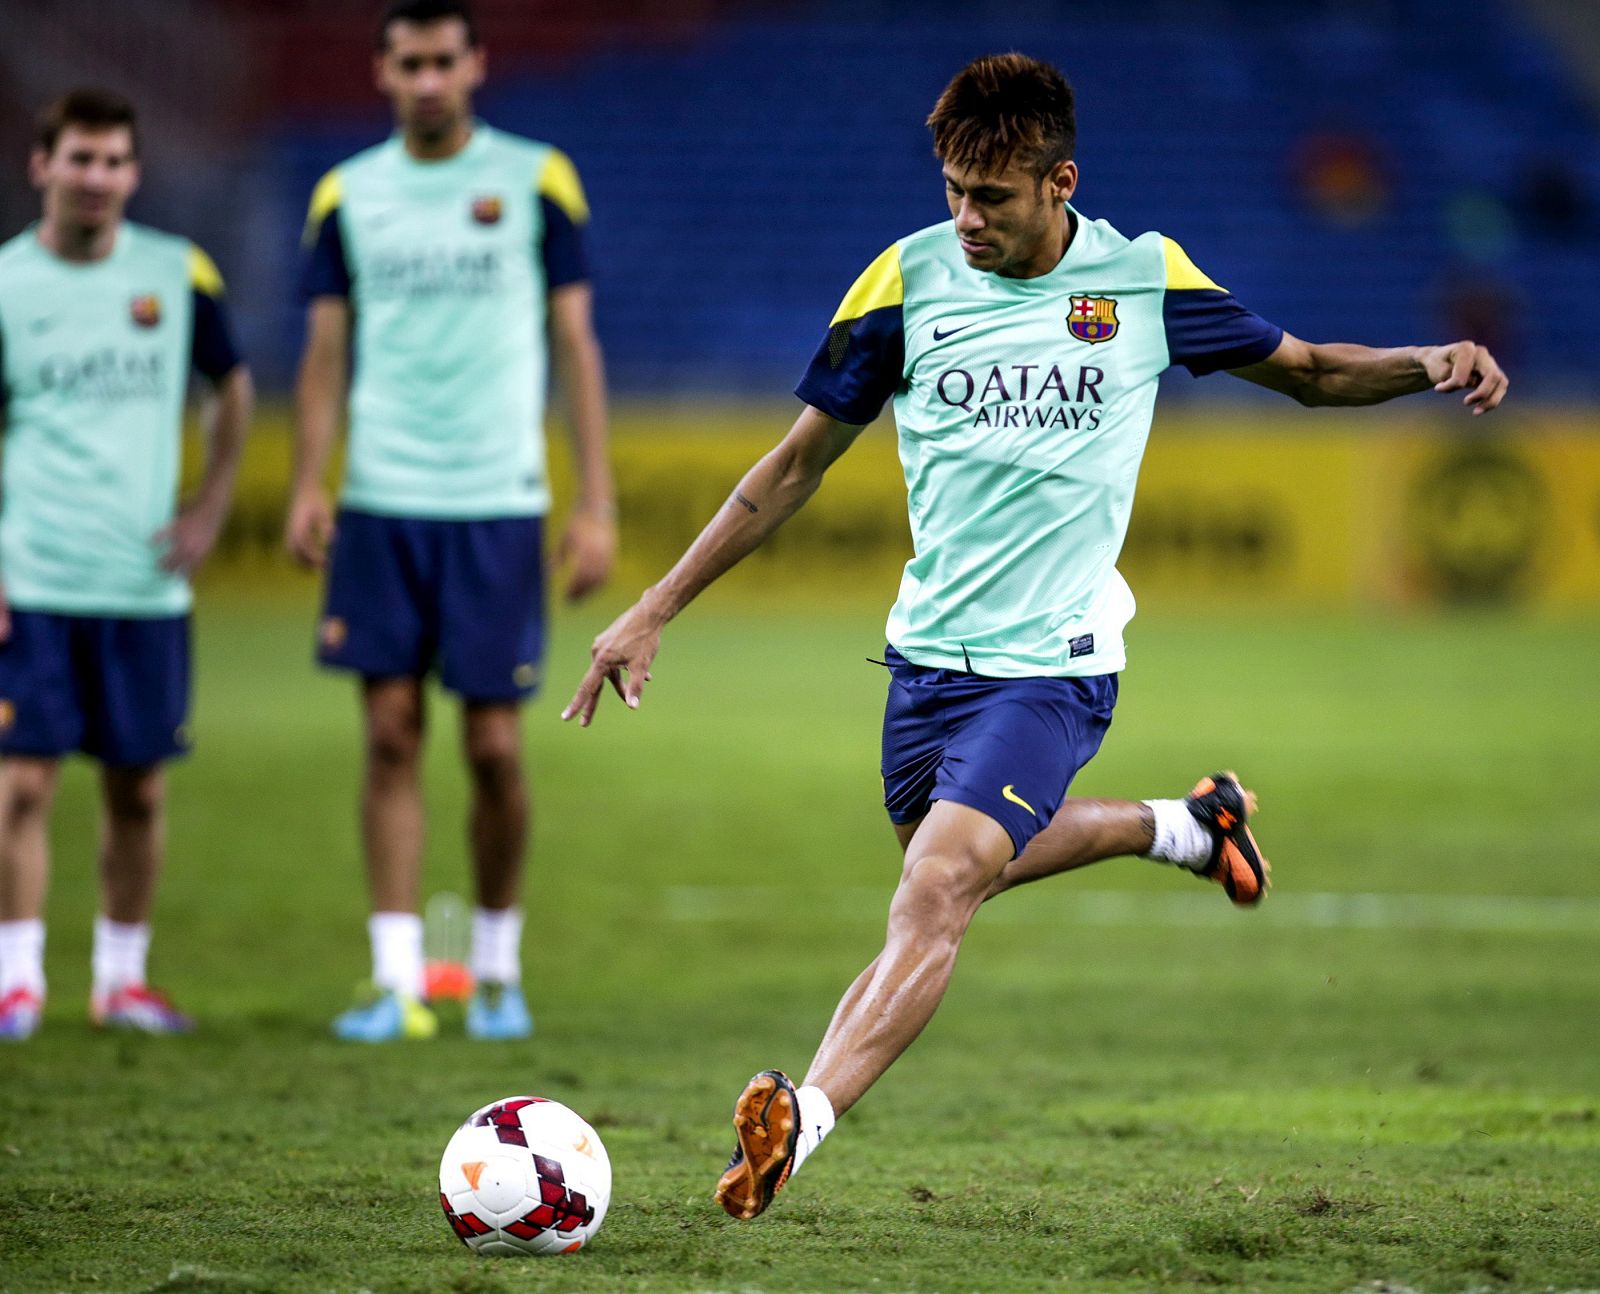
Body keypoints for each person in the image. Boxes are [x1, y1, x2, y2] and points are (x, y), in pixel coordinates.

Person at [562, 54, 1508, 1216]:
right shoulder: (903, 283)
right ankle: (1187, 825)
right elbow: (795, 465)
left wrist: (1428, 363)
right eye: (954, 189)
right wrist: (653, 607)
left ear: (1059, 181)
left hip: (1054, 667)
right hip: (924, 663)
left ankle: (798, 1123)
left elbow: (1307, 372)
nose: (965, 217)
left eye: (992, 196)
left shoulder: (1143, 281)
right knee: (947, 862)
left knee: (938, 883)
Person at [288, 0, 616, 1043]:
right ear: (383, 74)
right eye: (408, 64)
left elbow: (576, 345)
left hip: (498, 503)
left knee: (491, 748)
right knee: (387, 734)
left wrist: (595, 499)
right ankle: (393, 979)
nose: (427, 79)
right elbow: (325, 353)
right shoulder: (347, 194)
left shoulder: (535, 178)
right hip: (383, 500)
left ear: (475, 64)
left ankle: (494, 967)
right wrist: (308, 481)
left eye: (443, 60)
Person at [0, 89, 252, 1040]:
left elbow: (233, 385)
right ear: (42, 166)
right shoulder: (8, 284)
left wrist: (210, 503)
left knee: (138, 787)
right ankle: (16, 981)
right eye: (80, 159)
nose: (97, 178)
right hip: (35, 578)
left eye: (113, 162)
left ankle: (122, 981)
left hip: (145, 587)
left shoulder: (176, 272)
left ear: (133, 173)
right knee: (22, 783)